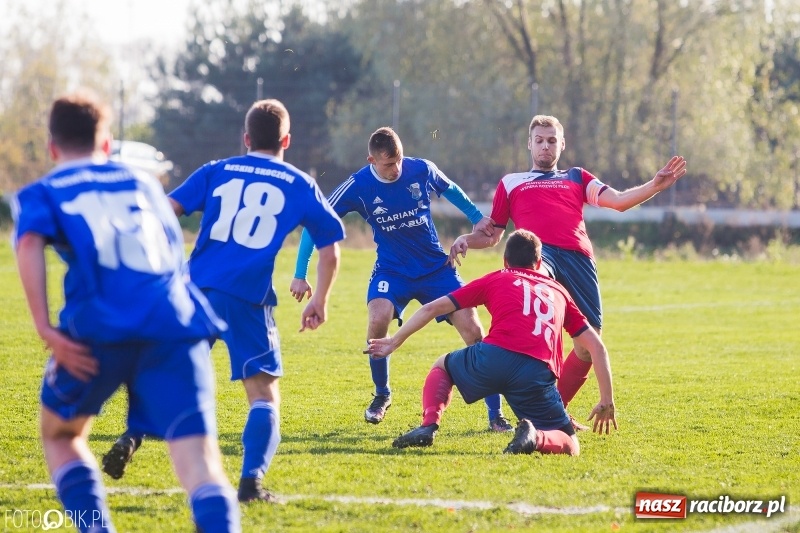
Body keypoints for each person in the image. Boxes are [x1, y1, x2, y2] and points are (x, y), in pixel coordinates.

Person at [12, 90, 240, 532]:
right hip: (175, 326)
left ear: (52, 147)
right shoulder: (143, 185)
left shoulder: (44, 191)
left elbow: (27, 243)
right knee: (201, 464)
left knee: (61, 435)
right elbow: (174, 250)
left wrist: (45, 326)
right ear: (105, 144)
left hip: (99, 331)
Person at [103, 99, 345, 503]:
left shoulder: (217, 170)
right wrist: (319, 299)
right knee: (263, 396)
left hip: (194, 290)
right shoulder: (299, 183)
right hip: (246, 298)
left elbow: (165, 211)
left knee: (171, 375)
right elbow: (331, 250)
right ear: (287, 139)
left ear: (246, 138)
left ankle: (131, 435)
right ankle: (251, 486)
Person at [450, 115, 686, 425]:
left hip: (579, 260)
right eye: (539, 141)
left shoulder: (577, 177)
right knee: (538, 319)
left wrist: (655, 186)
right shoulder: (511, 182)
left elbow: (617, 202)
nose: (545, 146)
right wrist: (466, 239)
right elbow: (493, 234)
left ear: (562, 144)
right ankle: (530, 399)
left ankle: (551, 409)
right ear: (529, 144)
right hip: (538, 256)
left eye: (551, 141)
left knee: (588, 346)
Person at [290, 127, 513, 432]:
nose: (396, 169)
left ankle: (495, 415)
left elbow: (450, 189)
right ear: (371, 160)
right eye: (388, 164)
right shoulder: (358, 186)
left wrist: (476, 218)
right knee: (377, 317)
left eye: (398, 161)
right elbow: (315, 223)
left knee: (473, 329)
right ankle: (381, 395)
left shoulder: (421, 169)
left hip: (436, 268)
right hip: (392, 271)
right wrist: (300, 274)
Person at [366, 229, 617, 455]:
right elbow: (597, 347)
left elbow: (433, 308)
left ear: (505, 261)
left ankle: (428, 425)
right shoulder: (560, 292)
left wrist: (395, 341)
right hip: (536, 375)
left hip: (493, 358)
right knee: (570, 443)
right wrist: (606, 399)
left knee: (442, 366)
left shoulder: (497, 278)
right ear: (539, 263)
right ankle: (535, 437)